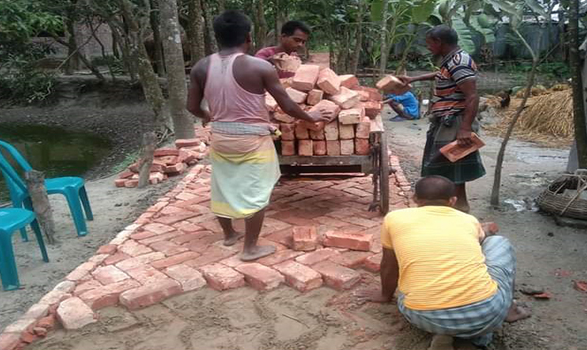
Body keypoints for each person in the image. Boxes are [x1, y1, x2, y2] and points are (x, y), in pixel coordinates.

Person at [187, 10, 332, 261]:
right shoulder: (259, 66)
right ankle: (250, 248)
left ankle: (230, 235)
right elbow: (287, 105)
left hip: (221, 136)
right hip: (252, 138)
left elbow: (191, 107)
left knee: (223, 185)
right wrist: (312, 117)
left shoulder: (201, 66)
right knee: (256, 189)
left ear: (218, 36)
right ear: (248, 37)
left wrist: (208, 115)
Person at [357, 176, 530, 350]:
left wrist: (385, 295)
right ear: (453, 201)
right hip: (487, 312)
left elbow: (389, 263)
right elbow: (479, 243)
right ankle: (505, 311)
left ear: (415, 198)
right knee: (498, 242)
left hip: (422, 316)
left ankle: (447, 334)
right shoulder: (468, 220)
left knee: (416, 286)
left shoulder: (394, 218)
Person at [397, 25, 485, 212]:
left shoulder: (460, 61)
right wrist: (414, 79)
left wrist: (465, 128)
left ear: (439, 42)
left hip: (455, 123)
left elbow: (472, 96)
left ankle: (461, 209)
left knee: (453, 172)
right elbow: (442, 75)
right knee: (446, 170)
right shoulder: (451, 60)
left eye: (429, 43)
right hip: (446, 122)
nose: (428, 47)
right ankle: (454, 209)